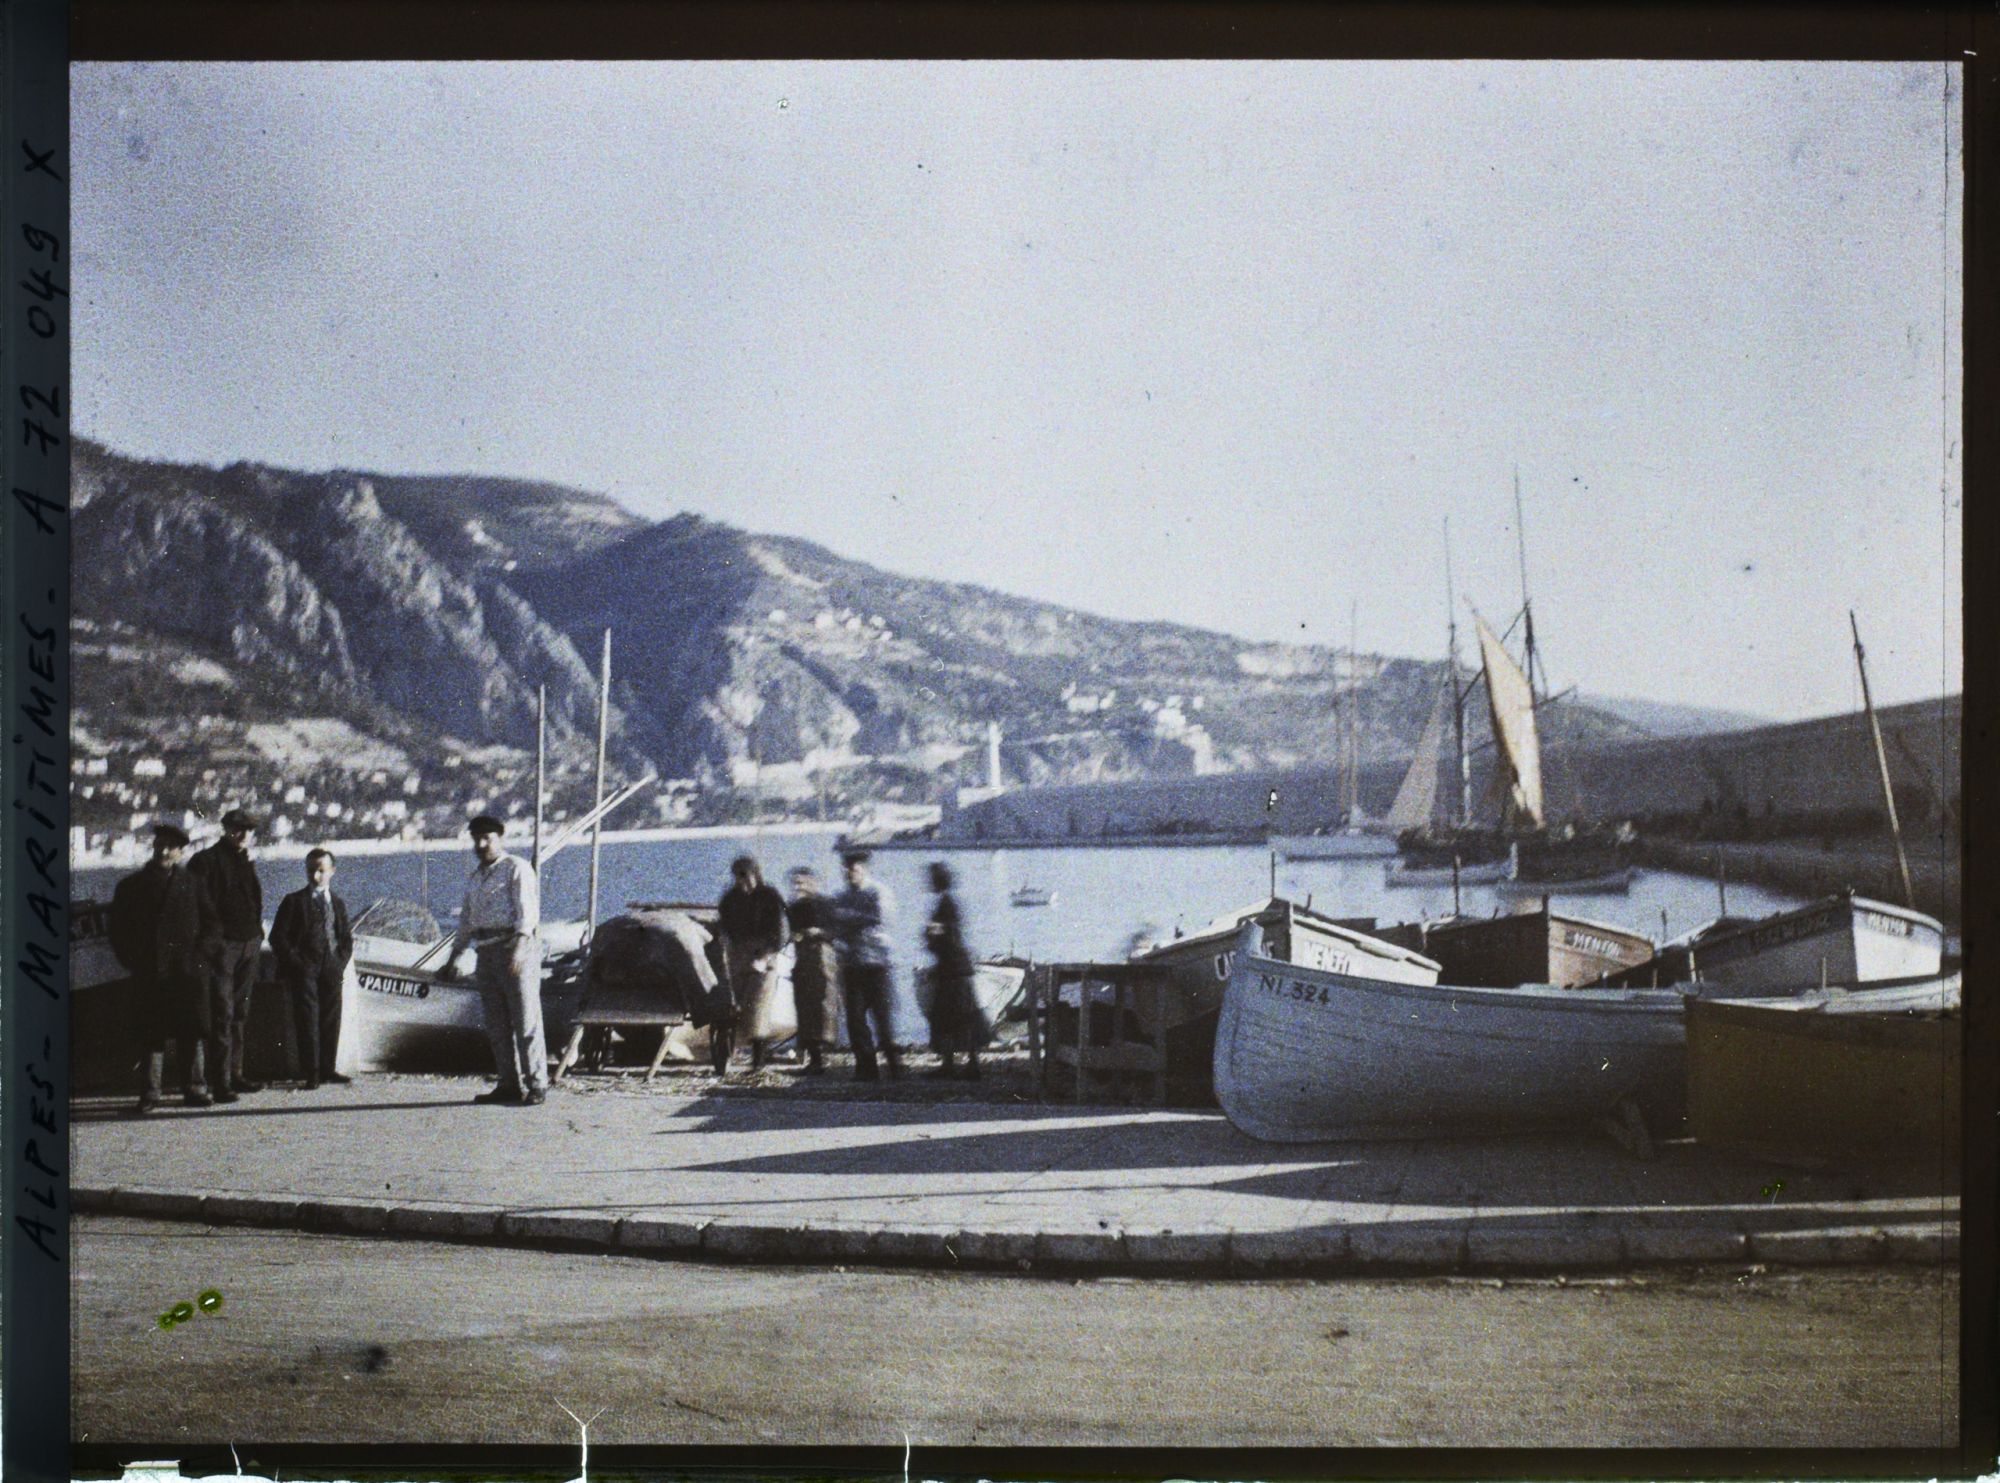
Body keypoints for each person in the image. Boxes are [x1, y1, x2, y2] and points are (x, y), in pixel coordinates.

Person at [438, 815, 548, 1106]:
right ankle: (508, 1084)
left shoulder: (517, 868)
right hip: (485, 951)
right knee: (497, 1025)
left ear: (501, 838)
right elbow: (466, 923)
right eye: (477, 838)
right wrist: (453, 958)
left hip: (514, 947)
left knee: (526, 1020)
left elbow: (528, 915)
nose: (481, 844)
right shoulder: (476, 878)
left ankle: (537, 1084)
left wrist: (520, 950)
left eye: (487, 838)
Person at [108, 824, 213, 1111]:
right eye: (159, 845)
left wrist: (199, 958)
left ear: (180, 853)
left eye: (170, 847)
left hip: (187, 975)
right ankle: (150, 1094)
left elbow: (212, 925)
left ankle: (195, 1088)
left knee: (190, 1033)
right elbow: (117, 931)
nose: (163, 851)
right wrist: (133, 960)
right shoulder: (130, 887)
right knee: (150, 1036)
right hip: (150, 973)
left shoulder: (193, 884)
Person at [188, 808, 265, 1101]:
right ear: (225, 828)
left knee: (239, 1014)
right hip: (223, 948)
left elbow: (253, 900)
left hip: (248, 944)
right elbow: (197, 906)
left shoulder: (245, 860)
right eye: (238, 828)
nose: (243, 834)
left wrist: (257, 934)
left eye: (249, 830)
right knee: (222, 1013)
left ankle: (235, 1074)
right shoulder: (206, 861)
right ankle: (221, 1083)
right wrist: (214, 942)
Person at [271, 848, 355, 1090]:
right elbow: (279, 938)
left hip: (331, 967)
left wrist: (339, 961)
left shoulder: (337, 902)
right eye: (311, 870)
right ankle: (312, 1072)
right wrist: (297, 962)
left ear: (332, 871)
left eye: (321, 870)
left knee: (331, 1018)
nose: (316, 876)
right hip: (305, 969)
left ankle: (328, 1069)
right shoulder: (294, 901)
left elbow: (346, 938)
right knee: (307, 1019)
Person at [715, 855, 788, 1075]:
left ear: (756, 874)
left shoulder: (770, 896)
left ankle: (758, 1062)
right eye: (738, 877)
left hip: (764, 958)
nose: (743, 882)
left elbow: (781, 932)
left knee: (758, 1008)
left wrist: (765, 956)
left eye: (746, 876)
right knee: (736, 1007)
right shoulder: (729, 899)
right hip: (738, 958)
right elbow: (725, 929)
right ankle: (728, 1056)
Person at [831, 850, 900, 1081]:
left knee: (883, 1018)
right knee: (855, 1019)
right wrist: (850, 920)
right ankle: (866, 1066)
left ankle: (894, 1065)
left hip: (877, 963)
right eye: (847, 870)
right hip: (852, 964)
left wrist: (847, 917)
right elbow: (834, 923)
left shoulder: (877, 892)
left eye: (855, 869)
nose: (850, 873)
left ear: (864, 870)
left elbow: (878, 918)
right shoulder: (841, 896)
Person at [922, 861, 983, 1081]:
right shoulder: (948, 902)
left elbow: (945, 937)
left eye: (932, 878)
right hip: (955, 968)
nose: (928, 882)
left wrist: (930, 935)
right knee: (960, 1016)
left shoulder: (945, 904)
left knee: (951, 1016)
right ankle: (966, 1063)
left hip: (952, 969)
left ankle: (955, 1065)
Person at [786, 866, 843, 1075]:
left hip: (821, 955)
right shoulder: (793, 907)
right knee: (804, 1004)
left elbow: (836, 931)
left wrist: (818, 932)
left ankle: (821, 1054)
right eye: (795, 883)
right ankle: (812, 1056)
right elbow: (790, 932)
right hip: (802, 956)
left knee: (822, 1004)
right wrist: (795, 936)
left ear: (812, 882)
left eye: (801, 882)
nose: (797, 887)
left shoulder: (825, 903)